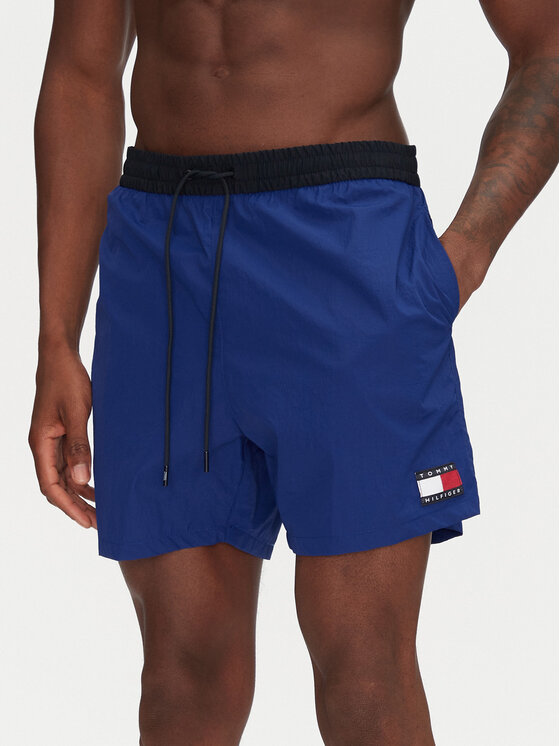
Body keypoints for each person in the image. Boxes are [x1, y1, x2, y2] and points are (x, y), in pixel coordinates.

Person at [28, 1, 558, 744]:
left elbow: (547, 44)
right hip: (162, 254)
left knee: (365, 673)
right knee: (183, 678)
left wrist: (461, 258)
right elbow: (82, 77)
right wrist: (57, 337)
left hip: (347, 245)